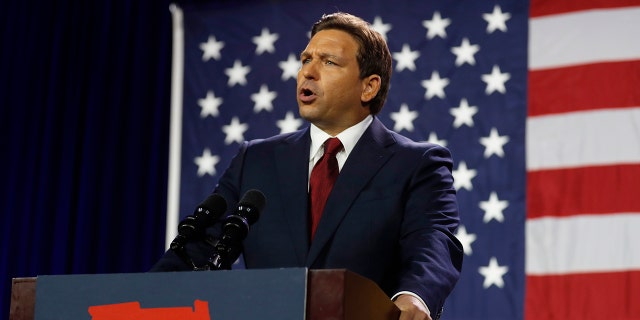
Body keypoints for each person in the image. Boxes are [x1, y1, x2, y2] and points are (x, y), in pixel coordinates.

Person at [152, 12, 463, 320]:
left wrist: (415, 295)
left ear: (368, 87)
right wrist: (144, 296)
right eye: (305, 60)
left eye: (328, 62)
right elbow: (199, 249)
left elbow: (433, 243)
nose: (308, 73)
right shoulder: (255, 160)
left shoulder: (416, 163)